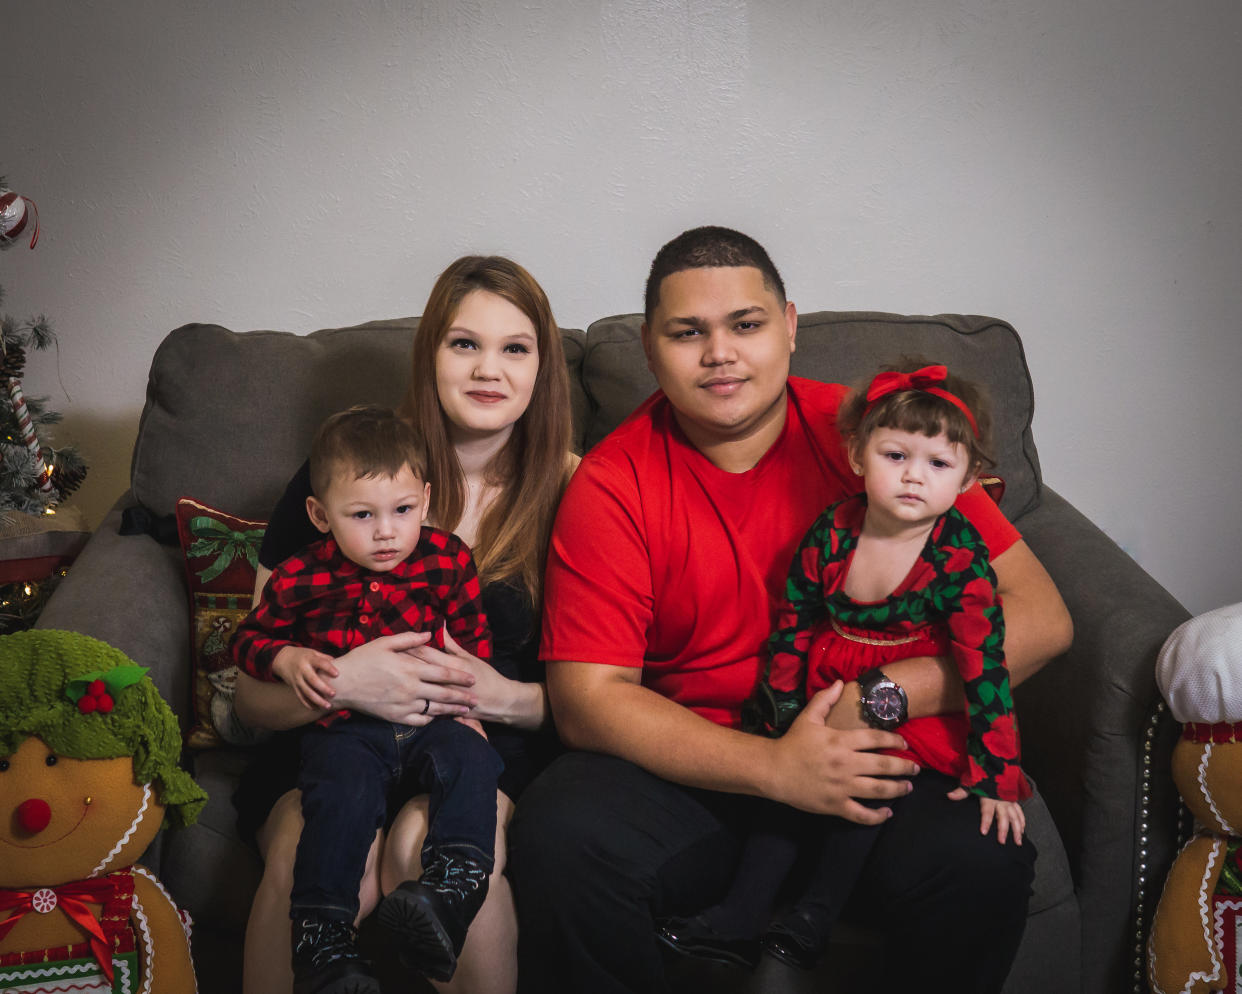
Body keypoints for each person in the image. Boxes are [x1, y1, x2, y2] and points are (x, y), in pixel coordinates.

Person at [508, 226, 1073, 993]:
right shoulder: (613, 483)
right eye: (687, 333)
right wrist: (776, 769)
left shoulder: (886, 438)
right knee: (561, 831)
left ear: (791, 325)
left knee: (982, 857)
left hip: (880, 750)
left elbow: (1042, 615)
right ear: (649, 348)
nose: (720, 353)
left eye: (746, 324)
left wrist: (884, 697)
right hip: (703, 765)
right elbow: (586, 700)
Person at [233, 255, 576, 994]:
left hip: (479, 748)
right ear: (429, 355)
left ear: (543, 367)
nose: (489, 369)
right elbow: (249, 694)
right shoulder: (346, 477)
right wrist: (343, 683)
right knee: (313, 854)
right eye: (464, 344)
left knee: (424, 849)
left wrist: (496, 695)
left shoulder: (578, 491)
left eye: (515, 348)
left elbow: (610, 697)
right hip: (327, 744)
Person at [657, 360, 1032, 972]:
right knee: (789, 780)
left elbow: (984, 666)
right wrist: (777, 714)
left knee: (867, 779)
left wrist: (998, 771)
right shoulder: (833, 532)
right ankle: (740, 915)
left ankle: (815, 916)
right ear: (858, 456)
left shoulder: (960, 558)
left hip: (907, 712)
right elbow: (794, 625)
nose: (914, 477)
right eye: (895, 456)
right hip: (825, 685)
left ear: (968, 478)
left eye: (938, 464)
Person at [231, 405, 501, 992]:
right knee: (338, 796)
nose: (385, 531)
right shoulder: (300, 576)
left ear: (426, 501)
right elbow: (248, 638)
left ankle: (451, 889)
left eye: (402, 511)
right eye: (362, 515)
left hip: (433, 719)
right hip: (346, 728)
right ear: (320, 515)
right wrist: (285, 657)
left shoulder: (449, 560)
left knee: (476, 761)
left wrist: (470, 708)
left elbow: (471, 649)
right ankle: (325, 940)